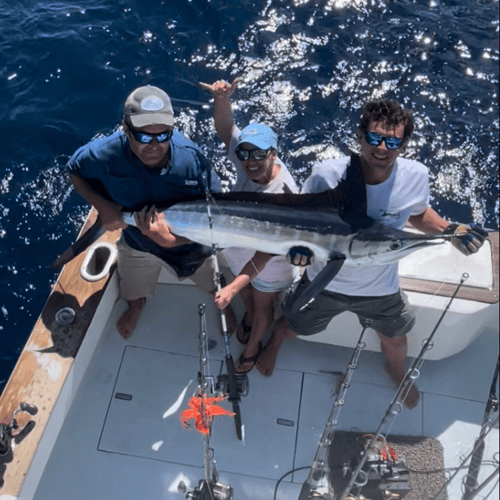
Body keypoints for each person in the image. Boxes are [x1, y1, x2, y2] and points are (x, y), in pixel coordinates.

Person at [256, 98, 487, 408]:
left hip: (381, 288)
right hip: (324, 282)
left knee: (396, 338)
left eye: (393, 141)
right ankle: (275, 340)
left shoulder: (415, 176)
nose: (382, 148)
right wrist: (298, 251)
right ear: (360, 136)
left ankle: (394, 368)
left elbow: (417, 214)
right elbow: (302, 219)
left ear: (404, 144)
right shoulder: (327, 174)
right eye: (375, 138)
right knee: (293, 325)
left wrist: (450, 230)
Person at [67, 85, 236, 339]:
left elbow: (215, 223)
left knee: (212, 282)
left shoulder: (192, 161)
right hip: (138, 243)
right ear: (125, 129)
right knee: (133, 289)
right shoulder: (104, 153)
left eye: (163, 135)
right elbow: (74, 170)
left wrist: (170, 241)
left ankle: (221, 299)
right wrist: (103, 206)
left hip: (190, 247)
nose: (154, 145)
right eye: (144, 137)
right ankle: (137, 304)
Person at [199, 78, 299, 374]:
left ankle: (254, 344)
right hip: (240, 247)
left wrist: (230, 288)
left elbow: (265, 255)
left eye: (258, 154)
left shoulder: (282, 197)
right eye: (244, 154)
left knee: (262, 304)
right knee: (248, 297)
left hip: (270, 264)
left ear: (273, 154)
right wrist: (222, 99)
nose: (250, 161)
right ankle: (249, 316)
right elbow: (226, 130)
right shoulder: (247, 158)